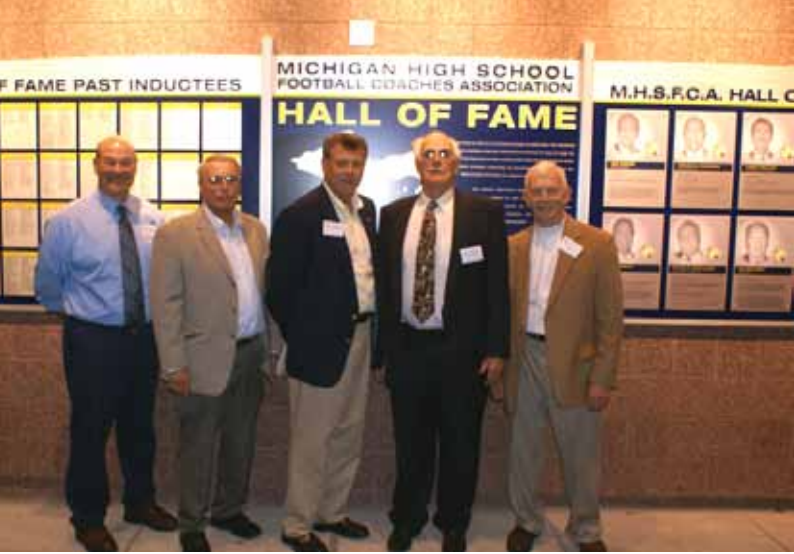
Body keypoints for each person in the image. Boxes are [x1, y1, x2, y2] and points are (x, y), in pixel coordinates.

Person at [35, 136, 177, 552]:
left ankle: (140, 502)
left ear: (136, 167)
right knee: (90, 430)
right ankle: (88, 517)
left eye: (126, 163)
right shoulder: (67, 221)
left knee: (140, 427)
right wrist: (87, 316)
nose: (119, 170)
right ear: (96, 165)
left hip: (143, 339)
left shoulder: (152, 218)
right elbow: (48, 287)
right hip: (92, 340)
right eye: (111, 162)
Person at [377, 130, 509, 552]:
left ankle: (454, 522)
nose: (435, 161)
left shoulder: (484, 212)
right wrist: (384, 349)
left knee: (460, 441)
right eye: (428, 155)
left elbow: (497, 287)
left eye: (444, 155)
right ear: (418, 165)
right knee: (410, 442)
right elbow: (383, 284)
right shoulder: (393, 214)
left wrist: (496, 348)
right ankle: (408, 518)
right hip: (409, 348)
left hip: (463, 352)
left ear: (456, 164)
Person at [492, 160, 623, 553]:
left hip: (576, 366)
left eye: (552, 190)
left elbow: (610, 318)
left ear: (566, 195)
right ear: (525, 197)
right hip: (524, 358)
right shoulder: (513, 246)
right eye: (537, 191)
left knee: (580, 453)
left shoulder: (598, 244)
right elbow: (500, 312)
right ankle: (526, 521)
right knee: (523, 450)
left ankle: (586, 528)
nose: (544, 197)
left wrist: (603, 377)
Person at [266, 132, 379, 552]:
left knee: (349, 432)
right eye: (341, 164)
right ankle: (297, 525)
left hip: (361, 335)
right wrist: (304, 335)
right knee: (312, 439)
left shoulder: (366, 212)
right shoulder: (301, 214)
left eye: (356, 165)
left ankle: (332, 512)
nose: (349, 172)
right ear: (325, 166)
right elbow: (278, 289)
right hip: (318, 344)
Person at [150, 155, 269, 552]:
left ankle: (229, 509)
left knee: (241, 440)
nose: (223, 187)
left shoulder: (255, 230)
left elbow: (261, 294)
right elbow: (166, 306)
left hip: (250, 354)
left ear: (239, 185)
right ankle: (192, 522)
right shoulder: (175, 234)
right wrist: (173, 365)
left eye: (231, 180)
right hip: (200, 359)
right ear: (201, 185)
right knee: (198, 445)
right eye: (215, 179)